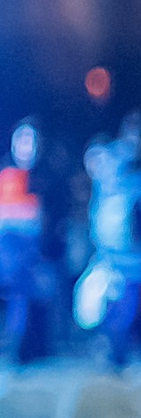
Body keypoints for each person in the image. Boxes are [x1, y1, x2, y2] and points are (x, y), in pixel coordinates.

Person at [78, 114, 141, 369]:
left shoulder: (111, 175)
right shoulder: (139, 177)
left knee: (126, 310)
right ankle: (134, 358)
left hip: (119, 255)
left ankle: (123, 357)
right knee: (133, 310)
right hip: (134, 256)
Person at [0, 121, 66, 364]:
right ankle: (17, 353)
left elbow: (58, 220)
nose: (29, 147)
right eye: (24, 140)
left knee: (40, 304)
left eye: (34, 141)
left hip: (41, 257)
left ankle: (40, 352)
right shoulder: (5, 175)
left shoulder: (49, 179)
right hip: (12, 259)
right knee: (19, 305)